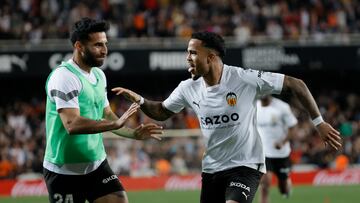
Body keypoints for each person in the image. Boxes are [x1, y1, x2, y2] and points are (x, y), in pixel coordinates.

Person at [112, 31, 342, 203]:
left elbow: (296, 84)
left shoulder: (244, 79)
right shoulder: (187, 88)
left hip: (246, 164)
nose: (187, 58)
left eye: (193, 52)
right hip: (212, 168)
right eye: (187, 52)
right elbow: (161, 111)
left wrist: (319, 123)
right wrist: (140, 101)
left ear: (211, 57)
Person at [43, 17, 163, 203]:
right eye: (97, 45)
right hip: (63, 170)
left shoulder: (99, 75)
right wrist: (114, 123)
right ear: (79, 46)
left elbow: (106, 114)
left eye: (105, 44)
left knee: (118, 199)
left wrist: (134, 134)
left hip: (96, 165)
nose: (105, 50)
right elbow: (72, 124)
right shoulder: (64, 77)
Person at [256, 95, 297, 203]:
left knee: (283, 188)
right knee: (265, 184)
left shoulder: (282, 107)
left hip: (281, 154)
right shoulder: (253, 106)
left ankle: (286, 184)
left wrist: (282, 142)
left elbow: (292, 128)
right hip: (264, 153)